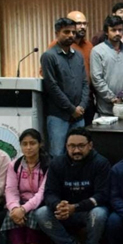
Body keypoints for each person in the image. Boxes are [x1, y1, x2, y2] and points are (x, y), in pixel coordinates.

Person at [36, 128, 110, 244]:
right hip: (64, 212)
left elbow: (102, 195)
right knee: (41, 213)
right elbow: (49, 193)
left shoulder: (101, 163)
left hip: (89, 210)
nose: (76, 150)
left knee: (99, 213)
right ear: (66, 146)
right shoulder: (57, 163)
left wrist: (75, 207)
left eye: (81, 146)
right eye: (71, 146)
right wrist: (58, 205)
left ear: (90, 145)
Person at [1, 129, 49, 244]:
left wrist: (24, 209)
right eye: (24, 144)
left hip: (39, 201)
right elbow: (10, 190)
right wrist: (15, 208)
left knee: (34, 213)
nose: (28, 147)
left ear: (40, 144)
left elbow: (42, 193)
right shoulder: (14, 165)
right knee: (10, 214)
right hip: (20, 201)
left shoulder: (48, 164)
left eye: (32, 143)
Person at [41, 17, 89, 156]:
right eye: (66, 32)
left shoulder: (78, 56)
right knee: (57, 154)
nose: (71, 36)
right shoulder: (49, 56)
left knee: (79, 154)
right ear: (57, 33)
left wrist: (82, 106)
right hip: (58, 115)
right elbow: (52, 87)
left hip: (79, 115)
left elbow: (85, 83)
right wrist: (71, 109)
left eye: (73, 33)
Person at [91, 15, 123, 117]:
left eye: (120, 30)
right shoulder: (97, 51)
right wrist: (112, 98)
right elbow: (97, 78)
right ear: (107, 32)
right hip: (105, 109)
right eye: (113, 30)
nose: (117, 33)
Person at [47, 11, 94, 83]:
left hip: (86, 91)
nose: (83, 27)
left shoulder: (88, 45)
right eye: (78, 23)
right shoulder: (57, 44)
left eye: (84, 24)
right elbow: (46, 72)